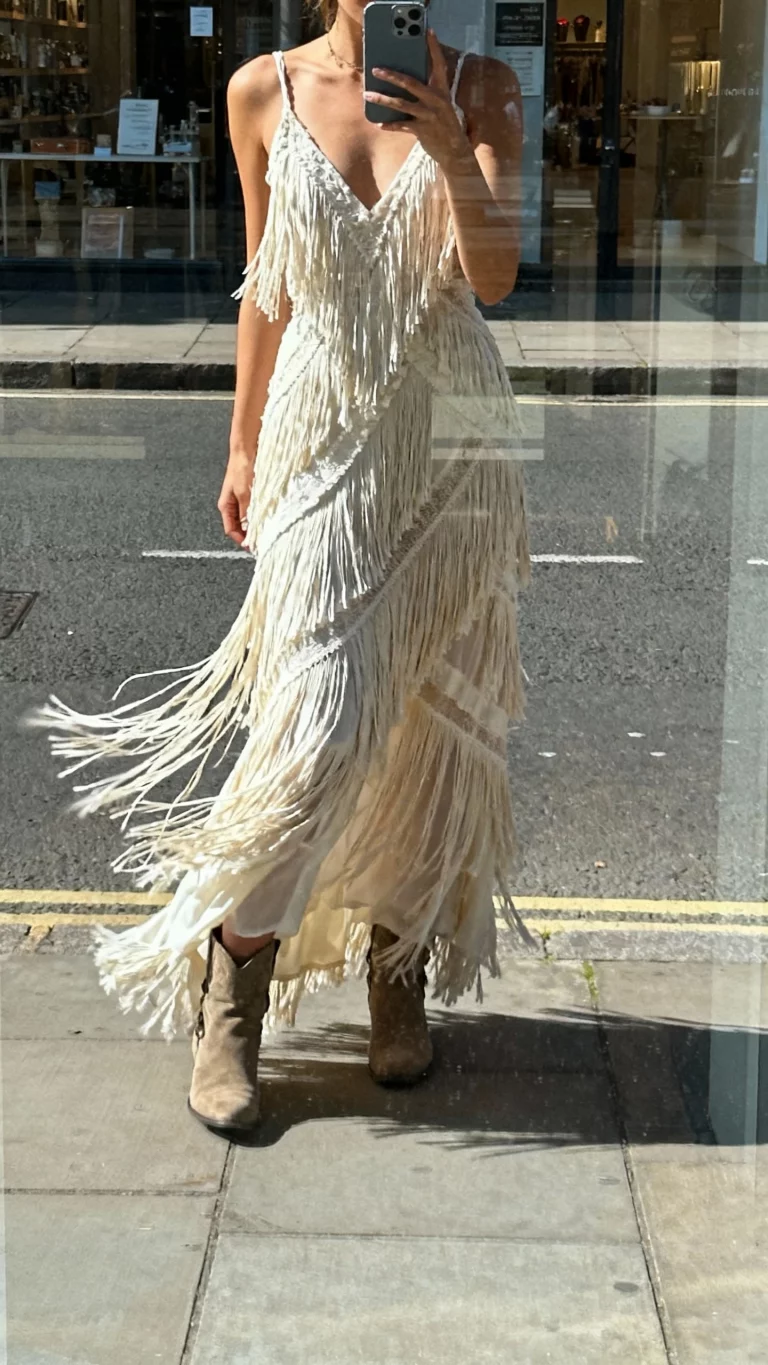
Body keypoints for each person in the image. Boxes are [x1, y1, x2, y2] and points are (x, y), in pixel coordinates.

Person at [26, 0, 530, 1138]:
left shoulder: (485, 89)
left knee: (430, 723)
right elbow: (269, 280)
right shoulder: (262, 89)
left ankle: (396, 969)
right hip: (321, 433)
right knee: (318, 724)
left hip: (451, 451)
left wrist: (450, 144)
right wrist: (242, 440)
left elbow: (494, 277)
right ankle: (233, 976)